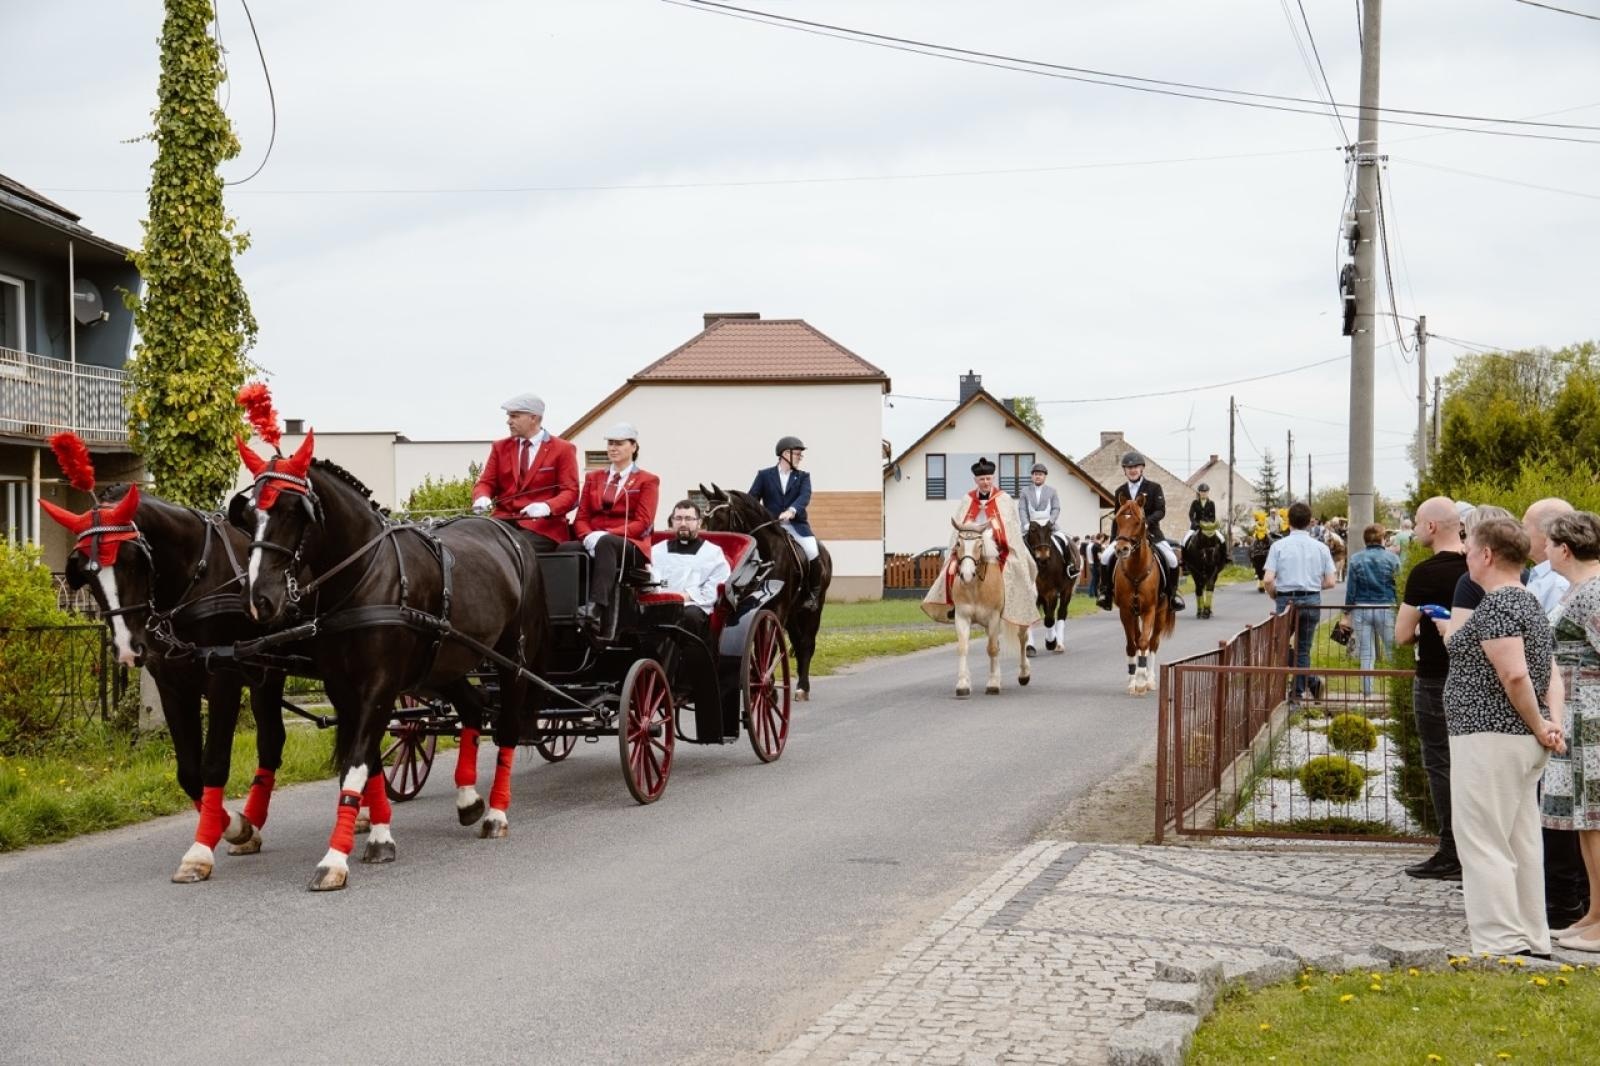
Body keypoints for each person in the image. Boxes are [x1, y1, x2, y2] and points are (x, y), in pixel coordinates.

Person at [1444, 516, 1566, 959]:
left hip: (1490, 736)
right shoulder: (1530, 601)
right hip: (1518, 740)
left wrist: (1540, 723)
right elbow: (1549, 673)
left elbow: (1515, 674)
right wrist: (1551, 721)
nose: (1466, 555)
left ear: (1488, 555)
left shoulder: (1496, 605)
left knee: (1482, 838)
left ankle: (1500, 943)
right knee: (1520, 839)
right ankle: (1533, 937)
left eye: (1469, 548)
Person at [1395, 495, 1470, 880]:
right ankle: (1477, 849)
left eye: (1416, 523)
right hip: (1477, 679)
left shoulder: (1425, 574)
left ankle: (1451, 850)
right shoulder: (1479, 569)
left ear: (1430, 527)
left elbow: (1402, 634)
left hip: (1436, 676)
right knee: (1475, 765)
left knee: (1440, 763)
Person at [1540, 511, 1600, 950]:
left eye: (1547, 544)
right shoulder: (1580, 588)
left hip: (1592, 714)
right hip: (1578, 711)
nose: (1542, 550)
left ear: (1565, 548)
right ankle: (1593, 913)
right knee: (1585, 819)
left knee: (1596, 819)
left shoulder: (1594, 590)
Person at [921, 457, 1038, 627]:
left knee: (1021, 563)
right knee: (951, 567)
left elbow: (1011, 524)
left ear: (993, 478)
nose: (985, 482)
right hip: (972, 542)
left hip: (998, 543)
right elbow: (959, 526)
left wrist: (995, 527)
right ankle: (955, 605)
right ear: (975, 480)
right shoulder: (967, 499)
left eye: (988, 478)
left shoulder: (1003, 498)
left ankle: (1017, 602)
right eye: (982, 479)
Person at [571, 423, 660, 640]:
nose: (613, 448)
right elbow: (581, 517)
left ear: (633, 447)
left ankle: (596, 608)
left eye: (619, 444)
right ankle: (567, 604)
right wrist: (586, 536)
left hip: (630, 543)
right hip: (594, 538)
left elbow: (643, 522)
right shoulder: (594, 478)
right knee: (565, 548)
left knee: (606, 543)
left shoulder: (647, 480)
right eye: (610, 443)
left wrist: (608, 534)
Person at [471, 392, 578, 551]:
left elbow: (570, 492)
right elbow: (486, 483)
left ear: (533, 418)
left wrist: (547, 506)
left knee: (510, 550)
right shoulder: (500, 448)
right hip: (503, 522)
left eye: (514, 416)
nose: (509, 421)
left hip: (542, 527)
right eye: (509, 416)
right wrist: (481, 497)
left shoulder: (563, 449)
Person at [1262, 501, 1337, 704]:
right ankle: (1303, 688)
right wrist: (1312, 585)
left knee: (1278, 643)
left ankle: (1305, 686)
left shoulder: (1278, 546)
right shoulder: (1321, 548)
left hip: (1286, 599)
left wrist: (1274, 594)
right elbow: (1331, 581)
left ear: (1289, 522)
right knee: (1303, 649)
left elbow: (1268, 579)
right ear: (1309, 522)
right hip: (1311, 599)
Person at [1096, 451, 1185, 613]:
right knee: (1106, 557)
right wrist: (1114, 541)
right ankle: (1106, 593)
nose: (1132, 470)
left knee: (1172, 558)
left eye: (1136, 467)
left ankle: (1172, 595)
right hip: (1126, 536)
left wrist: (1146, 523)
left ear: (1142, 468)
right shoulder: (1120, 491)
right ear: (1125, 470)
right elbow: (1118, 517)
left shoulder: (1154, 488)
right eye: (1129, 467)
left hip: (1152, 534)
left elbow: (1161, 511)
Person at [749, 436, 823, 611]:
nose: (799, 457)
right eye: (797, 454)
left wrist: (792, 511)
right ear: (785, 454)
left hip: (796, 525)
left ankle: (813, 594)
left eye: (800, 455)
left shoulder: (803, 477)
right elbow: (752, 499)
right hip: (772, 527)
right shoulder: (764, 475)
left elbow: (804, 497)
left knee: (812, 550)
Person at [651, 499, 731, 648]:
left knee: (689, 617)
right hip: (659, 603)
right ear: (672, 521)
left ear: (699, 523)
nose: (683, 523)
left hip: (693, 606)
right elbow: (652, 579)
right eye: (678, 518)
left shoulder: (712, 553)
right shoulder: (657, 550)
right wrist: (661, 594)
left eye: (689, 519)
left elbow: (714, 587)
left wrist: (685, 596)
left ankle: (689, 667)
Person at [1342, 522, 1400, 698]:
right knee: (1392, 651)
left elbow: (1351, 588)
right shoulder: (1392, 559)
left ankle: (1368, 694)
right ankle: (1398, 692)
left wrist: (1346, 612)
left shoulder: (1356, 559)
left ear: (1365, 540)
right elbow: (1398, 585)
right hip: (1386, 607)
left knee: (1367, 653)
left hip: (1361, 608)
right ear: (1383, 539)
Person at [1018, 463, 1075, 563]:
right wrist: (1026, 524)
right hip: (1031, 527)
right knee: (1017, 545)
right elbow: (1022, 509)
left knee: (1065, 541)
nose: (1038, 476)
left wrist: (1051, 522)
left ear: (1044, 476)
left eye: (1040, 474)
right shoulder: (1025, 491)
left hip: (1048, 526)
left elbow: (1056, 508)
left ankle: (1070, 566)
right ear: (1032, 476)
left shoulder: (1052, 491)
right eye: (1035, 474)